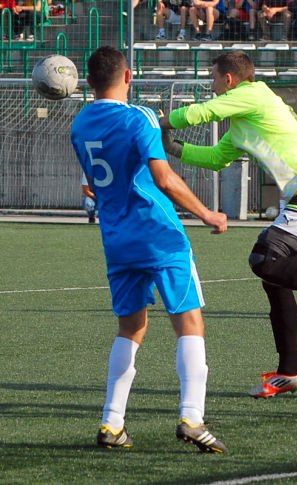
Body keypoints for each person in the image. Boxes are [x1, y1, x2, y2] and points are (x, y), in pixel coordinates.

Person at [159, 51, 297, 398]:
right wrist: (176, 149)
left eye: (213, 79)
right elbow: (215, 158)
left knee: (265, 260)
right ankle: (289, 371)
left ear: (229, 80)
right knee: (275, 276)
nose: (211, 86)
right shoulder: (245, 120)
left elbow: (203, 112)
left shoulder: (254, 93)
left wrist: (160, 122)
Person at [70, 46, 228, 452]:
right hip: (158, 234)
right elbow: (165, 178)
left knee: (131, 328)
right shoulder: (137, 116)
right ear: (128, 77)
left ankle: (111, 423)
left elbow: (93, 184)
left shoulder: (80, 123)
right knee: (189, 321)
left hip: (116, 238)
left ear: (88, 83)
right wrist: (207, 213)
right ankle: (192, 417)